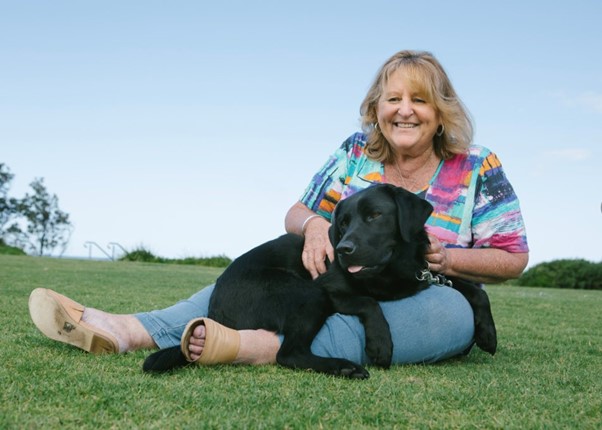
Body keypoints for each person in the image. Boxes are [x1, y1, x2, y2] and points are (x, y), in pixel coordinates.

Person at [29, 50, 529, 368]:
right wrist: (314, 227)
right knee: (247, 276)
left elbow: (512, 256)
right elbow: (298, 211)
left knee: (452, 315)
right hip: (344, 278)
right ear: (376, 108)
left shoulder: (477, 165)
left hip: (427, 292)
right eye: (391, 98)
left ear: (440, 110)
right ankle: (128, 329)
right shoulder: (357, 151)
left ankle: (256, 347)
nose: (404, 110)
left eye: (418, 100)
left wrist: (451, 261)